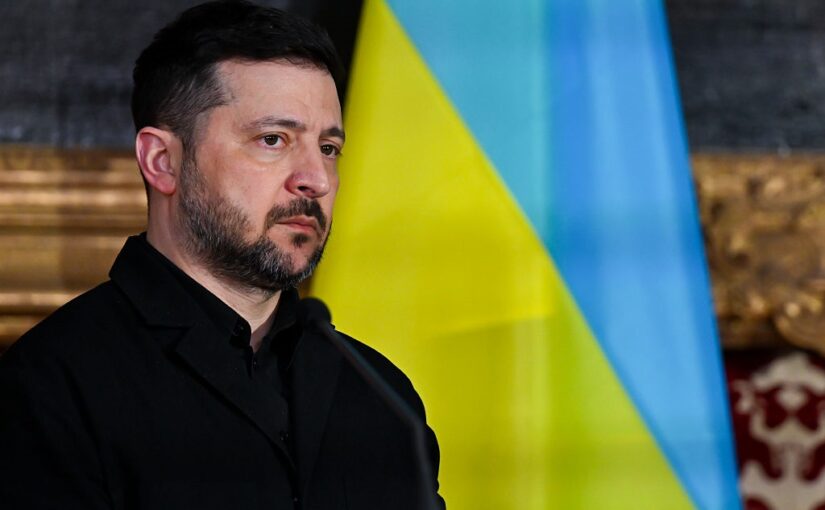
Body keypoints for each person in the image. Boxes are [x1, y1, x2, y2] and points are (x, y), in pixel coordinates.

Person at [0, 1, 444, 509]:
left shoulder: (382, 395)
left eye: (328, 148)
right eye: (273, 140)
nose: (316, 180)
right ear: (162, 161)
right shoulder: (50, 387)